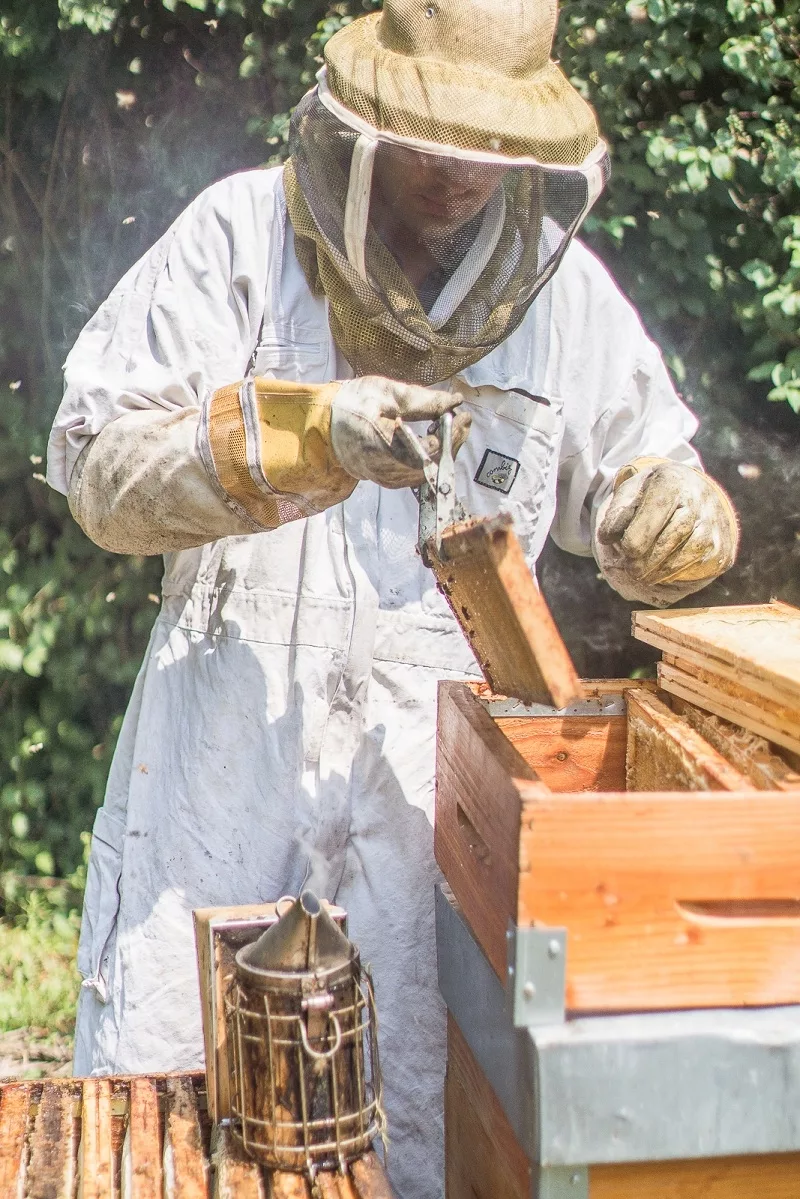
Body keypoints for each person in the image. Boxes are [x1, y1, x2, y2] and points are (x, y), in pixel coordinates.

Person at [46, 0, 739, 1194]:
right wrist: (301, 435)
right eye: (433, 144)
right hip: (219, 790)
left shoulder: (565, 303)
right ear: (358, 127)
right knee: (180, 1136)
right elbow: (99, 474)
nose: (461, 177)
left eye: (492, 150)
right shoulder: (238, 236)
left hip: (429, 829)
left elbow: (647, 481)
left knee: (418, 1143)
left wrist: (677, 519)